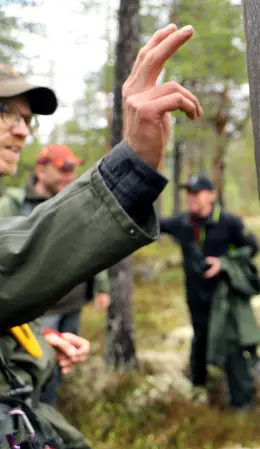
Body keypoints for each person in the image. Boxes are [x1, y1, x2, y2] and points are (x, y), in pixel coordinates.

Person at [0, 23, 202, 449]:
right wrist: (130, 168)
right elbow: (11, 264)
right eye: (6, 112)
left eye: (26, 120)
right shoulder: (13, 204)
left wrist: (37, 344)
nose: (22, 131)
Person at [0, 144, 112, 408]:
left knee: (62, 361)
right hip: (35, 312)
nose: (70, 176)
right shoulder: (14, 206)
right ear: (41, 170)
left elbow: (92, 245)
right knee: (33, 365)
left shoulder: (72, 204)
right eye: (64, 169)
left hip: (72, 304)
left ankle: (49, 411)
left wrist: (102, 285)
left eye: (73, 169)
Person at [159, 175, 260, 411]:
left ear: (211, 195)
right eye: (188, 193)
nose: (191, 198)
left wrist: (223, 263)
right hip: (196, 298)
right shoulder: (183, 223)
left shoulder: (229, 222)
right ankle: (199, 391)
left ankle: (242, 403)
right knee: (200, 340)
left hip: (224, 300)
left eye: (196, 192)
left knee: (232, 346)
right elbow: (155, 224)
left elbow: (252, 247)